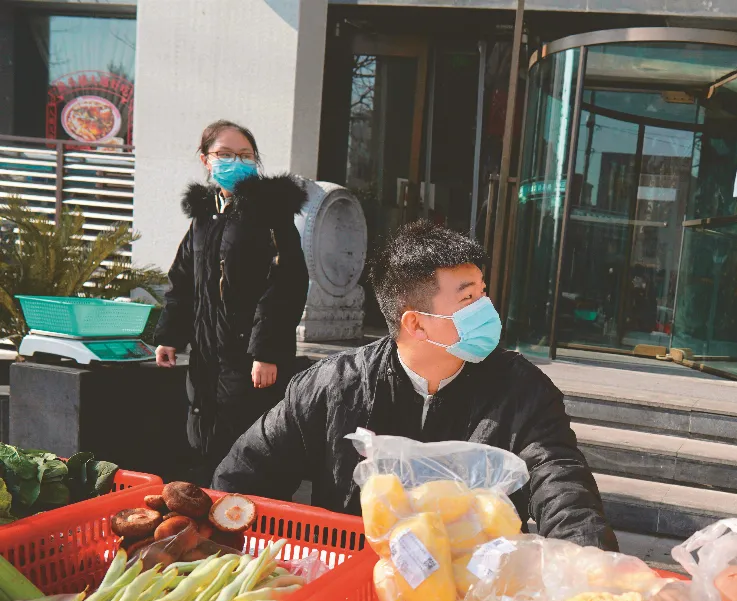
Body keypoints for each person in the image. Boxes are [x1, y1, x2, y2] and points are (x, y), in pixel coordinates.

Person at [212, 219, 618, 551]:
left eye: (483, 293)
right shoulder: (334, 386)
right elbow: (240, 478)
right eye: (467, 299)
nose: (486, 310)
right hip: (353, 581)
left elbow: (564, 488)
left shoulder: (523, 391)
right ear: (416, 323)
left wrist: (590, 566)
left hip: (473, 596)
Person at [155, 120, 310, 484]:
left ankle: (250, 520)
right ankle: (211, 513)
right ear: (205, 160)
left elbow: (286, 285)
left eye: (244, 155)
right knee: (204, 433)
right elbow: (183, 280)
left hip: (249, 357)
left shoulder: (269, 212)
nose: (234, 162)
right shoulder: (205, 215)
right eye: (224, 154)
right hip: (207, 353)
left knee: (249, 440)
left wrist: (266, 352)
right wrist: (170, 336)